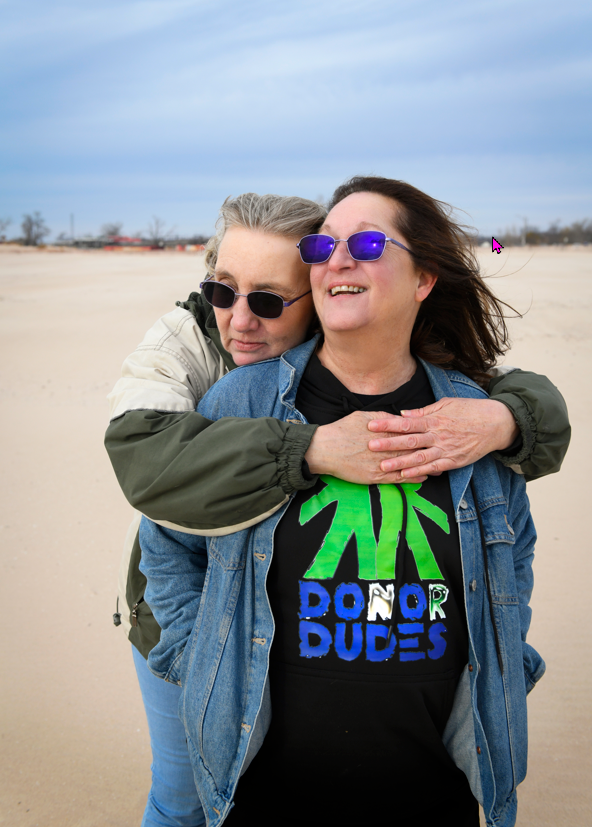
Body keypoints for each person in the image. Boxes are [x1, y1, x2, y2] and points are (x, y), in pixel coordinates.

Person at [137, 178, 552, 827]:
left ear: (423, 278)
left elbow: (513, 559)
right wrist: (202, 669)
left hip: (432, 795)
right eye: (323, 244)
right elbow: (169, 540)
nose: (338, 257)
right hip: (266, 796)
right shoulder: (239, 404)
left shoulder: (477, 418)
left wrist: (504, 663)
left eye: (365, 241)